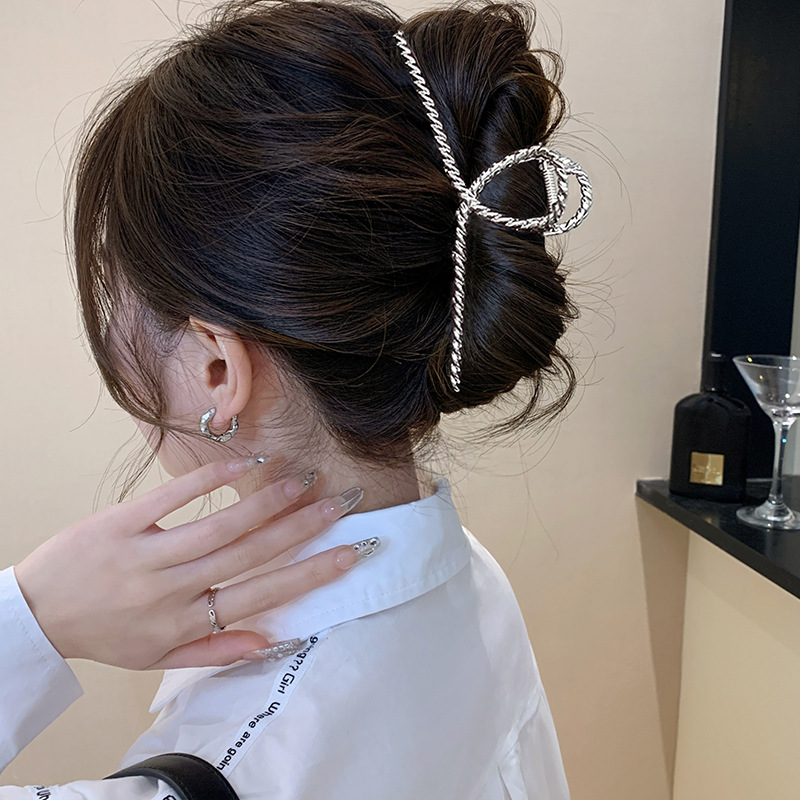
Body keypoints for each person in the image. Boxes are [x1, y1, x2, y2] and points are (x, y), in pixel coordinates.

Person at [1, 0, 592, 795]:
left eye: (119, 292)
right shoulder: (469, 586)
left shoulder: (232, 773)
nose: (111, 333)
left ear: (219, 368)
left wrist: (31, 619)